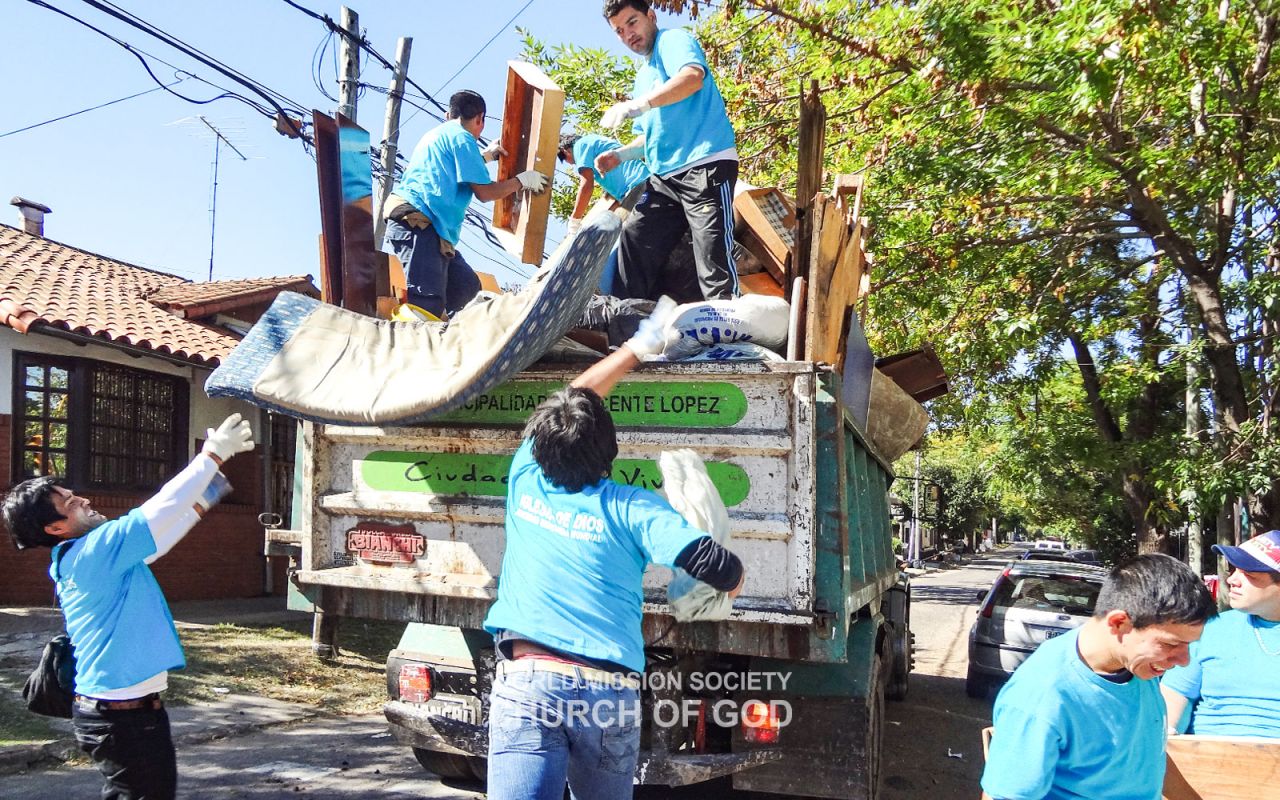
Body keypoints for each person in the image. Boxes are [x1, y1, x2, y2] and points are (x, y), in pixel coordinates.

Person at [482, 298, 746, 800]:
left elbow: (575, 395)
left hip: (528, 684)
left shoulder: (527, 478)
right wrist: (735, 579)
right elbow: (713, 562)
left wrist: (634, 349)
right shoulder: (634, 508)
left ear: (540, 444)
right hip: (607, 696)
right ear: (610, 450)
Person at [1, 414, 255, 800]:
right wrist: (211, 456)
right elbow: (157, 511)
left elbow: (157, 542)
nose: (83, 499)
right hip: (121, 717)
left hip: (126, 714)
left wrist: (202, 498)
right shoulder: (94, 551)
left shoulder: (86, 554)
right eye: (70, 502)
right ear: (55, 528)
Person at [980, 553, 1216, 800]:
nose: (1184, 660)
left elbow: (1145, 756)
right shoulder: (1044, 694)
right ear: (1119, 623)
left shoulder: (1137, 665)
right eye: (1171, 644)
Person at [597, 0, 739, 302]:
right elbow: (647, 141)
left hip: (705, 163)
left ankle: (727, 336)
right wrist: (619, 156)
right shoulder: (642, 77)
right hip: (664, 178)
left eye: (632, 22)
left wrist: (640, 104)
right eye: (619, 31)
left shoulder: (673, 41)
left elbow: (691, 78)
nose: (628, 35)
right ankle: (624, 331)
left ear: (651, 15)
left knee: (712, 253)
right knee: (635, 241)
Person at [384, 89, 549, 319]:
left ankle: (449, 334)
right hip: (417, 221)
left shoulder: (440, 133)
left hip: (428, 226)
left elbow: (456, 168)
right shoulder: (462, 137)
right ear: (480, 119)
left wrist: (487, 156)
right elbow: (485, 192)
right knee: (426, 303)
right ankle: (417, 344)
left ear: (448, 114)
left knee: (466, 288)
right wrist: (521, 181)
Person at [1161, 530, 1280, 738]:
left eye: (1249, 574)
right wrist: (1167, 735)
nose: (1232, 580)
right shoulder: (1210, 628)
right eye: (1234, 570)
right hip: (1203, 761)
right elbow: (1174, 698)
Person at [558, 132, 652, 295]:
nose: (568, 163)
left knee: (621, 241)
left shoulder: (582, 145)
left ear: (565, 150)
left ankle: (617, 291)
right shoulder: (593, 142)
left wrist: (575, 219)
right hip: (639, 186)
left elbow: (586, 185)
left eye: (563, 158)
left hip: (637, 186)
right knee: (628, 237)